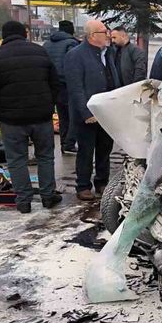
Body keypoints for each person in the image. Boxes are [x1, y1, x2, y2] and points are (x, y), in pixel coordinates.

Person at [0, 21, 61, 214]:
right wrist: (50, 106)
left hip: (11, 119)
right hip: (41, 116)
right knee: (45, 156)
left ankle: (23, 201)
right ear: (24, 34)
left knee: (17, 160)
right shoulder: (40, 51)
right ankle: (48, 196)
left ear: (4, 35)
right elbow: (55, 83)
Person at [64, 19, 122, 201]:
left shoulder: (108, 53)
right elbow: (75, 88)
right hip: (88, 113)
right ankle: (83, 186)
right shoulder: (76, 55)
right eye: (104, 32)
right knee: (86, 151)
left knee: (105, 149)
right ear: (92, 36)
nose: (108, 35)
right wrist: (86, 113)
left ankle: (102, 182)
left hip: (107, 111)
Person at [43, 20, 80, 155]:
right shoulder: (72, 44)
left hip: (52, 85)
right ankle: (69, 144)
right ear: (71, 30)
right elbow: (73, 65)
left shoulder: (47, 44)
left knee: (62, 116)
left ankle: (64, 143)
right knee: (74, 115)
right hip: (67, 84)